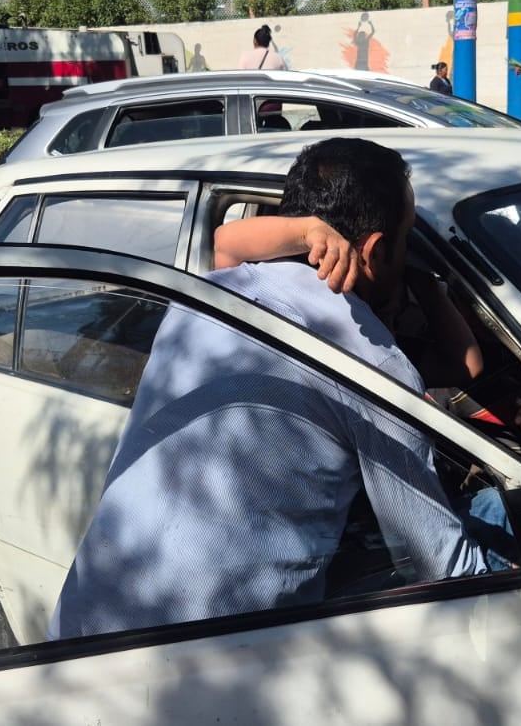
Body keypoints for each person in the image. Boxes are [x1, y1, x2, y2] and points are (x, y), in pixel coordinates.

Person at [48, 139, 493, 640]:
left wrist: (309, 232)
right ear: (374, 250)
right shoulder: (375, 367)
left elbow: (228, 241)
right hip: (214, 659)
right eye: (406, 238)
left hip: (77, 631)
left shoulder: (211, 292)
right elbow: (441, 564)